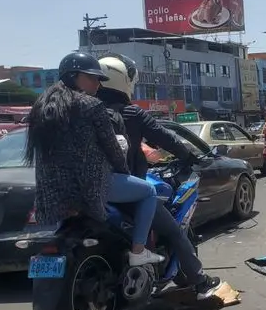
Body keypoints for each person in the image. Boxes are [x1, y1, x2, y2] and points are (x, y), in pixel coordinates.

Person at [25, 51, 164, 267]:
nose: (97, 84)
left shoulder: (40, 107)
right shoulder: (91, 106)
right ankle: (138, 250)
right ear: (74, 76)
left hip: (51, 192)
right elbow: (112, 148)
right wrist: (123, 172)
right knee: (149, 191)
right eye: (92, 78)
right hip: (91, 188)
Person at [97, 54, 221, 297]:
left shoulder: (88, 111)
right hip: (123, 188)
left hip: (87, 190)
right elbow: (167, 138)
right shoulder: (131, 114)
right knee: (174, 230)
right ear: (124, 80)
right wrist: (189, 156)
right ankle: (200, 282)